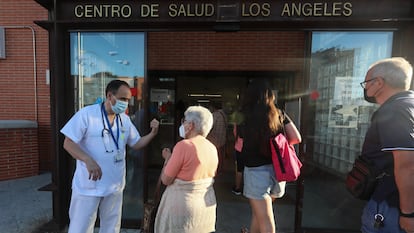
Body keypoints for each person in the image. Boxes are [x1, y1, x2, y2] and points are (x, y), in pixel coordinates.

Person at [60, 79, 160, 233]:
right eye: (122, 99)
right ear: (109, 96)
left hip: (114, 186)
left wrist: (153, 134)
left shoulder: (124, 120)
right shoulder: (87, 115)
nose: (126, 103)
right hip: (89, 186)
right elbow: (68, 143)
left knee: (112, 228)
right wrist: (87, 159)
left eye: (128, 100)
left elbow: (137, 143)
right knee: (81, 228)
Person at [359, 57, 414, 233]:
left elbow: (407, 165)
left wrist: (408, 214)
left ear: (379, 83)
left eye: (366, 82)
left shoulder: (395, 111)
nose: (365, 88)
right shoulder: (409, 105)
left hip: (391, 206)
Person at [240, 79, 301, 233]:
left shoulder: (244, 115)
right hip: (278, 171)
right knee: (259, 214)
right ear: (270, 95)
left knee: (266, 221)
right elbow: (296, 138)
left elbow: (238, 140)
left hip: (256, 173)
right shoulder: (279, 114)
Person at [154, 106, 219, 233]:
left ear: (190, 125)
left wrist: (168, 158)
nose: (182, 124)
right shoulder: (212, 148)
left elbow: (166, 179)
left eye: (184, 121)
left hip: (183, 209)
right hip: (205, 209)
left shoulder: (184, 146)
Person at [207, 101, 227, 173]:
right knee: (221, 155)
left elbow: (209, 126)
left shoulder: (215, 115)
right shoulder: (223, 114)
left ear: (213, 107)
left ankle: (216, 169)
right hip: (222, 138)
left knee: (215, 156)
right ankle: (220, 169)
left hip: (215, 140)